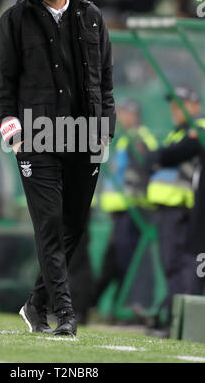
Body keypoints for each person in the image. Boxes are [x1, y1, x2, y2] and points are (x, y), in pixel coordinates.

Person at [0, 0, 115, 336]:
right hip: (36, 137)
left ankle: (34, 304)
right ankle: (64, 314)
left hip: (84, 138)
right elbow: (3, 82)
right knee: (49, 223)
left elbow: (105, 83)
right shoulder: (14, 19)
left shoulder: (92, 17)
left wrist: (104, 130)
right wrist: (10, 125)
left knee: (73, 226)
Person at [146, 86, 203, 335]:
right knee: (172, 265)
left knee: (181, 265)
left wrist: (160, 157)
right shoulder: (178, 133)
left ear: (193, 105)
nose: (174, 110)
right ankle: (169, 317)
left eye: (180, 104)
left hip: (181, 209)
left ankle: (174, 320)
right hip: (167, 209)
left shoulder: (198, 129)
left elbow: (171, 155)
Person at [93, 99, 158, 310]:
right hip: (121, 211)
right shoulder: (124, 139)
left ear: (134, 115)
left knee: (128, 259)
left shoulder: (139, 138)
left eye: (123, 113)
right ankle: (119, 304)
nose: (120, 117)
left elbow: (144, 171)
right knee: (116, 259)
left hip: (133, 210)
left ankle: (132, 304)